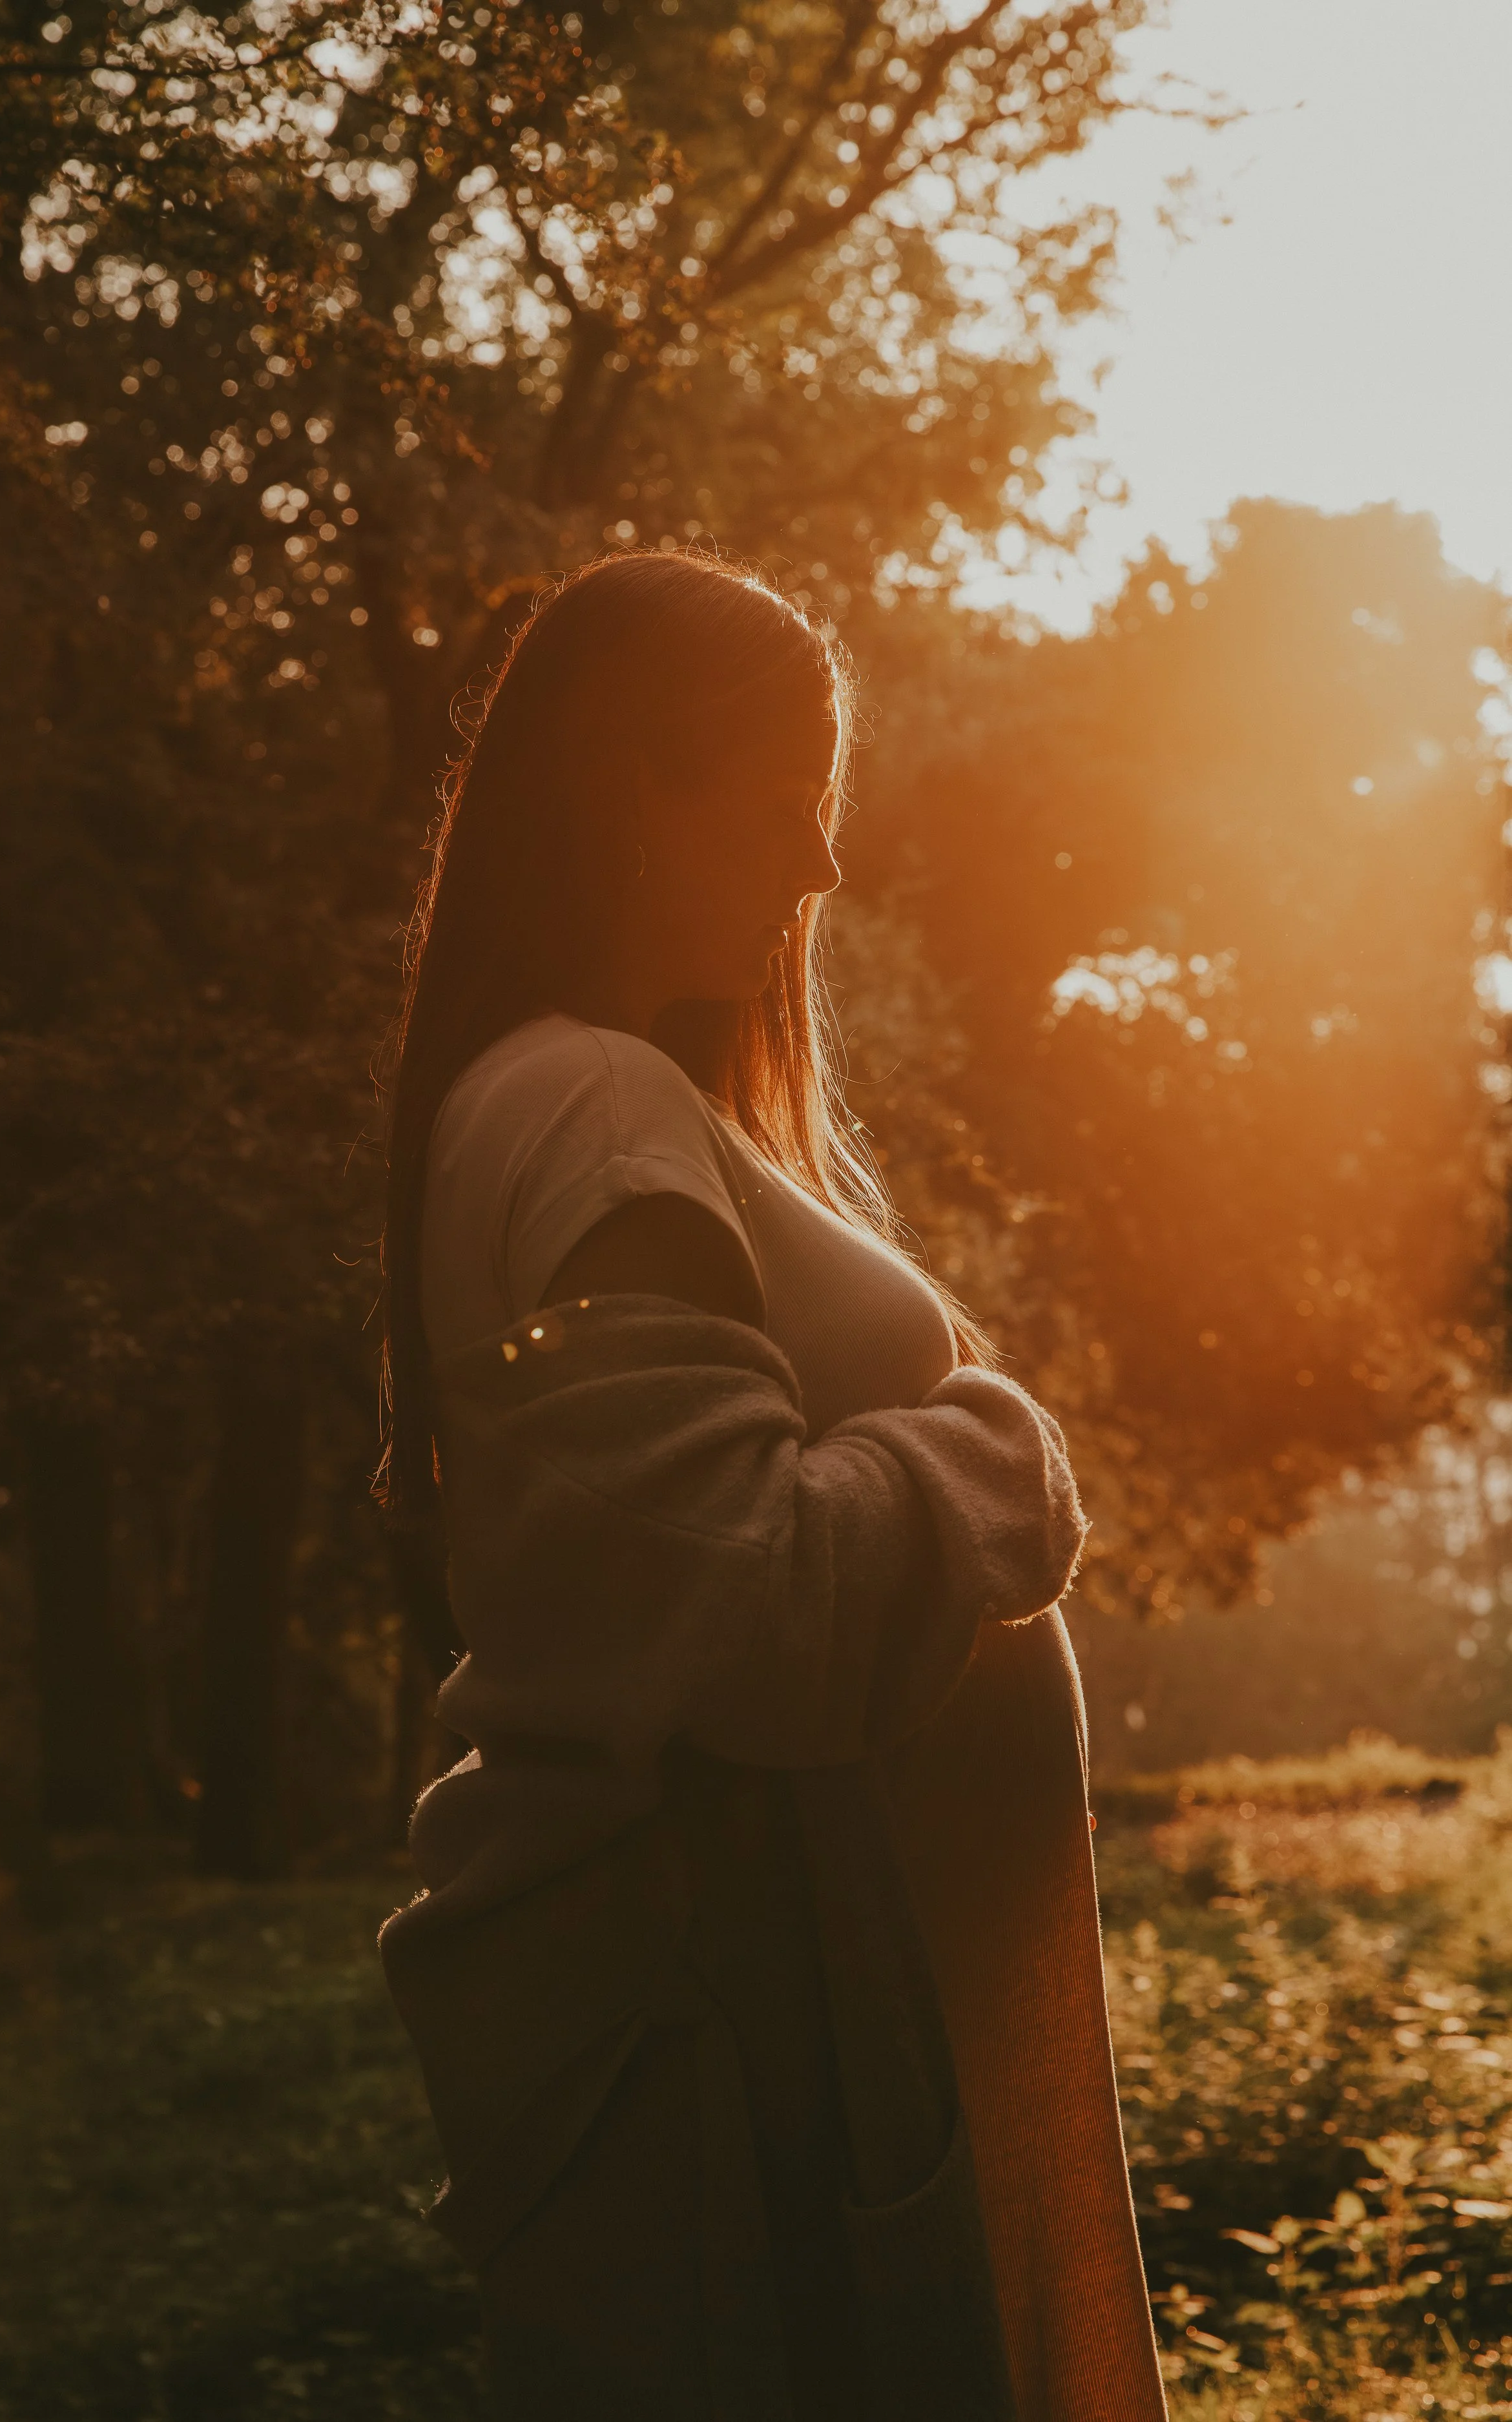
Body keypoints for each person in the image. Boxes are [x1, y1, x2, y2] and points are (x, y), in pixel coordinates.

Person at [377, 551, 1166, 2422]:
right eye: (789, 788)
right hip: (747, 2062)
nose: (818, 861)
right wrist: (1003, 1444)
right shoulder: (583, 1106)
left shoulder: (614, 1102)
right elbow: (748, 1609)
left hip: (801, 2030)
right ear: (642, 779)